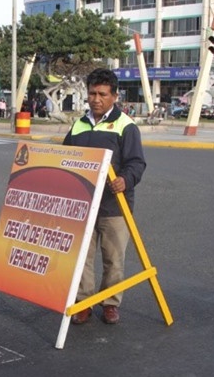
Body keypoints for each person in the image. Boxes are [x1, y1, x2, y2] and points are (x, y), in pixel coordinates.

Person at [63, 68, 147, 326]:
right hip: (83, 205)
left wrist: (126, 179)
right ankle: (84, 303)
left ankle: (110, 303)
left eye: (102, 94)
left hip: (114, 206)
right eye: (92, 93)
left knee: (113, 259)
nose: (96, 99)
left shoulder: (126, 126)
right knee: (81, 259)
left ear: (115, 96)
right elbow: (65, 158)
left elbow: (136, 163)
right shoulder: (78, 125)